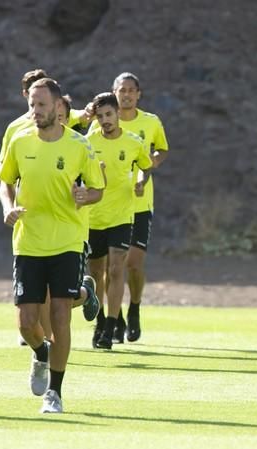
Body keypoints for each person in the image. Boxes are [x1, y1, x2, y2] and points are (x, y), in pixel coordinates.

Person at [0, 78, 105, 413]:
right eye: (32, 104)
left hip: (68, 240)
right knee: (27, 323)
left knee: (60, 315)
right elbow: (5, 181)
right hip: (28, 241)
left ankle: (54, 393)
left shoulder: (79, 145)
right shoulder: (19, 139)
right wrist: (8, 207)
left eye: (41, 105)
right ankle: (41, 353)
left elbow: (97, 188)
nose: (35, 111)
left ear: (58, 108)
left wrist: (86, 195)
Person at [89, 72, 169, 344]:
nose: (126, 94)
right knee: (101, 271)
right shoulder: (94, 134)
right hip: (98, 211)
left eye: (131, 90)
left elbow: (158, 153)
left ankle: (131, 311)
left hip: (137, 205)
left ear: (138, 93)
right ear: (113, 93)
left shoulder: (148, 125)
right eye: (121, 90)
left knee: (128, 265)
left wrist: (146, 170)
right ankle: (113, 317)